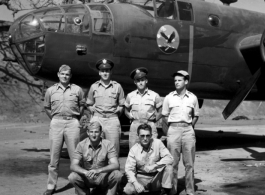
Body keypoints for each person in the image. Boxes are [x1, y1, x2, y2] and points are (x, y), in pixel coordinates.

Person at [43, 65, 85, 195]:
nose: (65, 76)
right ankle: (51, 186)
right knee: (54, 158)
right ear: (58, 74)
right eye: (63, 74)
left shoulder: (77, 89)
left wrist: (76, 119)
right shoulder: (51, 90)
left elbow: (82, 105)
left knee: (76, 157)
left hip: (72, 122)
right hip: (56, 123)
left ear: (70, 76)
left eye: (67, 74)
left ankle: (79, 185)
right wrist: (55, 119)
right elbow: (47, 107)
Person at [162, 70, 199, 195]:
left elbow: (195, 116)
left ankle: (190, 191)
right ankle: (172, 191)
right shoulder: (168, 97)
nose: (176, 83)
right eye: (175, 81)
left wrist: (188, 127)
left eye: (179, 80)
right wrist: (172, 129)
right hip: (173, 130)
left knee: (189, 164)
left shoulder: (193, 98)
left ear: (186, 81)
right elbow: (164, 116)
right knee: (173, 163)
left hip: (188, 130)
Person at [68, 121, 122, 195]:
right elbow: (73, 165)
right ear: (87, 132)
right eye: (91, 132)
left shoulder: (108, 144)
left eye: (96, 132)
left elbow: (116, 164)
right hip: (87, 177)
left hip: (103, 176)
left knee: (117, 174)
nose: (93, 135)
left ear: (101, 133)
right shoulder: (81, 145)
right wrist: (85, 172)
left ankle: (106, 192)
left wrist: (99, 170)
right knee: (72, 177)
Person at [86, 59, 125, 156]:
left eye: (107, 71)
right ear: (99, 72)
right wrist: (93, 112)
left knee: (113, 148)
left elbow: (122, 105)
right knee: (95, 147)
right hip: (97, 119)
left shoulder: (117, 86)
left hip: (112, 119)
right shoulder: (94, 87)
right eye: (103, 71)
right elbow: (89, 103)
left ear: (111, 72)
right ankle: (97, 170)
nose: (105, 73)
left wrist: (117, 113)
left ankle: (114, 170)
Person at [124, 123, 173, 195]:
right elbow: (129, 170)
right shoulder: (133, 150)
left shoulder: (158, 143)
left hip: (156, 177)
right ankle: (143, 190)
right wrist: (136, 183)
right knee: (128, 190)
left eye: (147, 135)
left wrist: (154, 165)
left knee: (169, 168)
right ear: (138, 136)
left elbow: (170, 158)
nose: (145, 138)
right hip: (141, 177)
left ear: (151, 136)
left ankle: (165, 192)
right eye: (142, 136)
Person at [125, 67, 163, 149]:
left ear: (146, 80)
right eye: (138, 81)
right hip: (135, 126)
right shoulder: (130, 96)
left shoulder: (154, 95)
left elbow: (160, 111)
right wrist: (131, 117)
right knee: (134, 150)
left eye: (142, 80)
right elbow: (126, 110)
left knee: (152, 151)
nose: (140, 83)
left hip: (149, 125)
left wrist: (153, 121)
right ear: (135, 82)